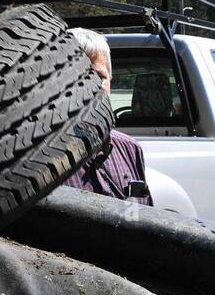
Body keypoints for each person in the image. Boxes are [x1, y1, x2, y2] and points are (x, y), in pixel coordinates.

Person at [63, 27, 152, 205]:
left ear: (110, 81)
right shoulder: (38, 160)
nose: (92, 85)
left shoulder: (130, 149)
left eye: (100, 76)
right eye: (80, 76)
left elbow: (139, 219)